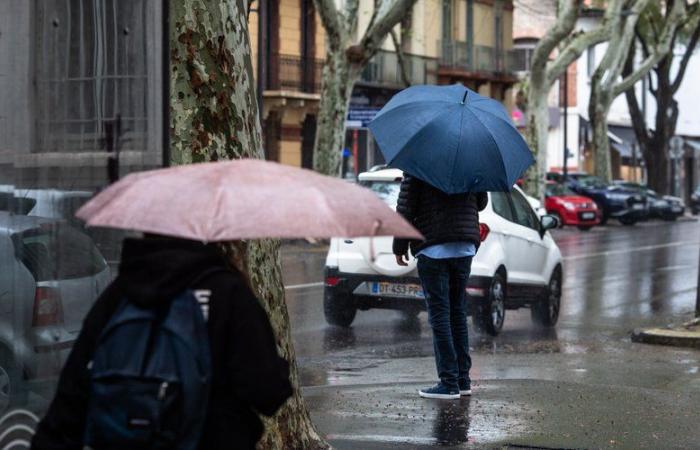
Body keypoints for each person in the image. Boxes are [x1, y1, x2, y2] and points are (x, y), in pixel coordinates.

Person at [31, 235, 292, 449]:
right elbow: (267, 393)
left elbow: (73, 391)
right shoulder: (226, 291)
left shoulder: (120, 293)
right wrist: (276, 363)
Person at [393, 174, 487, 400]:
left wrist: (399, 245)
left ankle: (448, 382)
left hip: (433, 245)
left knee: (440, 314)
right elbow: (481, 203)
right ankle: (462, 380)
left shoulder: (417, 164)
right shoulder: (471, 160)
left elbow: (405, 208)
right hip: (464, 245)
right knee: (457, 312)